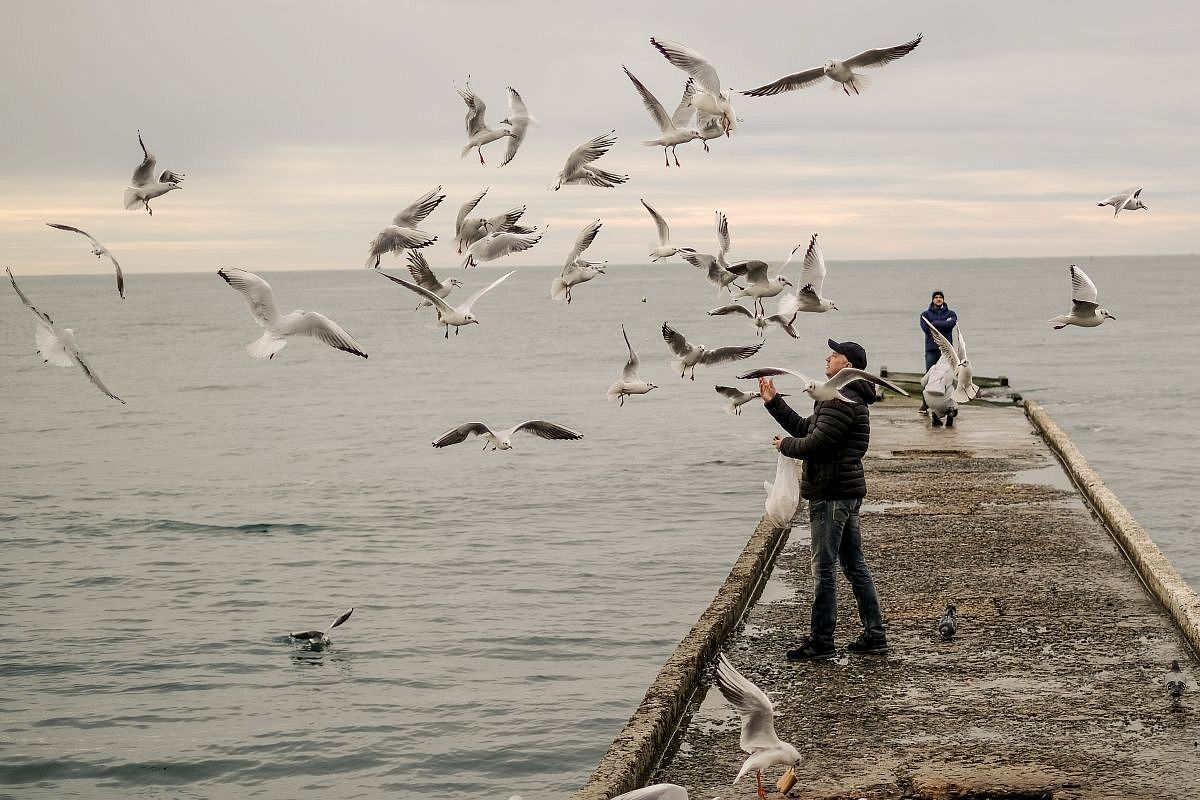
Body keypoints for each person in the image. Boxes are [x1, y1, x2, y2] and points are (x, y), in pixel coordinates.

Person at [758, 339, 888, 661]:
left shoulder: (842, 401)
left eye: (834, 354)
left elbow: (817, 444)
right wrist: (774, 403)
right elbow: (808, 428)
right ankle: (874, 635)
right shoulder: (835, 398)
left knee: (824, 568)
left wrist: (786, 446)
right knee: (854, 565)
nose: (828, 357)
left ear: (848, 365)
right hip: (842, 492)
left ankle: (822, 640)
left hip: (832, 495)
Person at [919, 291, 956, 413]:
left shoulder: (951, 313)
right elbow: (926, 328)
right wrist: (943, 325)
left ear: (943, 300)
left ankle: (949, 403)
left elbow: (951, 323)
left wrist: (934, 324)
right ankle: (925, 404)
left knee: (950, 377)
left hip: (947, 351)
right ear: (932, 300)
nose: (938, 299)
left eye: (940, 297)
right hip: (931, 350)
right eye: (936, 297)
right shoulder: (925, 314)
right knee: (929, 376)